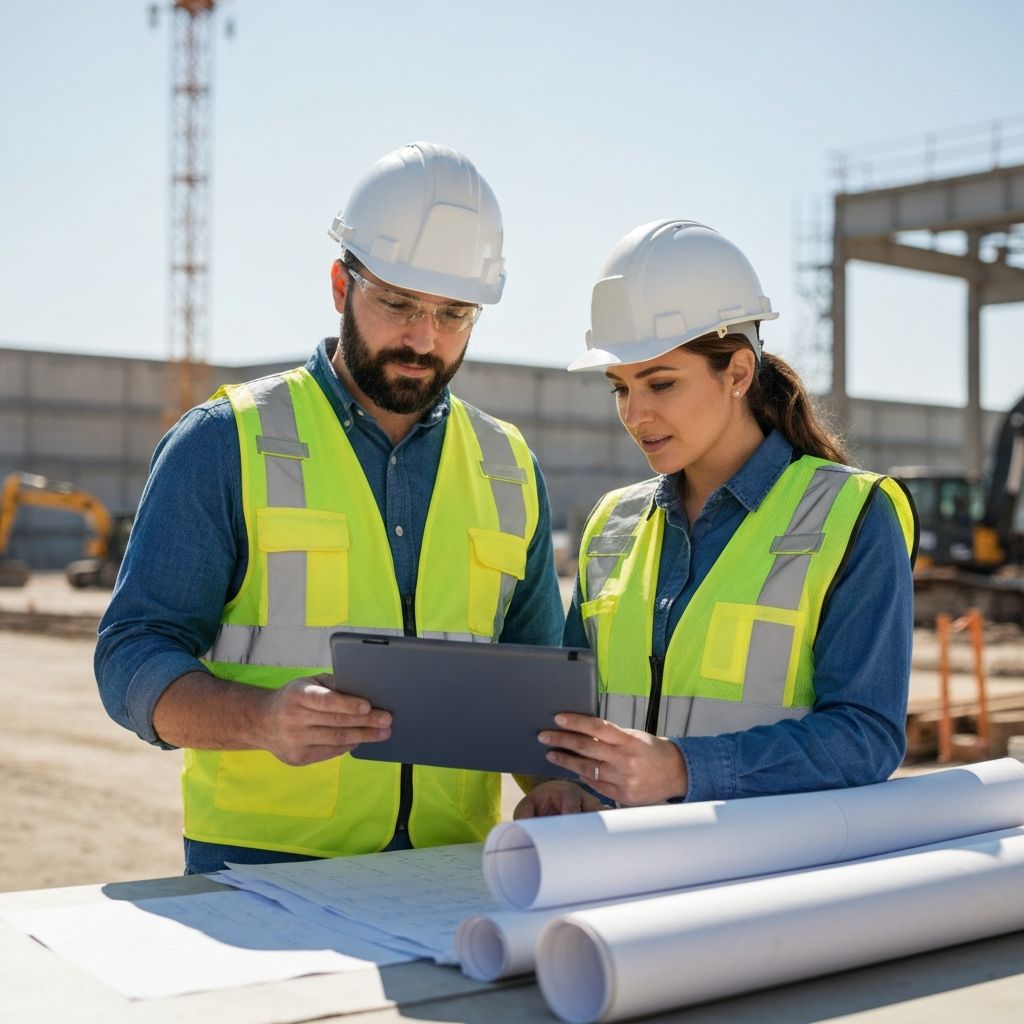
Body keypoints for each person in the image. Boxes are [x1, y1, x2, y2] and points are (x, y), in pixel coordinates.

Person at [95, 142, 563, 872]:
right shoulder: (226, 442)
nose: (422, 338)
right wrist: (261, 719)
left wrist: (553, 784)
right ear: (342, 284)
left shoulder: (508, 466)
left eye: (452, 314)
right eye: (398, 303)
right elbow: (130, 657)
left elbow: (535, 686)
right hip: (259, 870)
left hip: (452, 871)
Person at [517, 219, 918, 818]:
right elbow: (580, 727)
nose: (636, 414)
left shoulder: (855, 516)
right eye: (620, 388)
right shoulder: (612, 523)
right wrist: (567, 788)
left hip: (755, 882)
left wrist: (683, 768)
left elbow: (866, 737)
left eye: (661, 383)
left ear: (737, 372)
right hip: (613, 875)